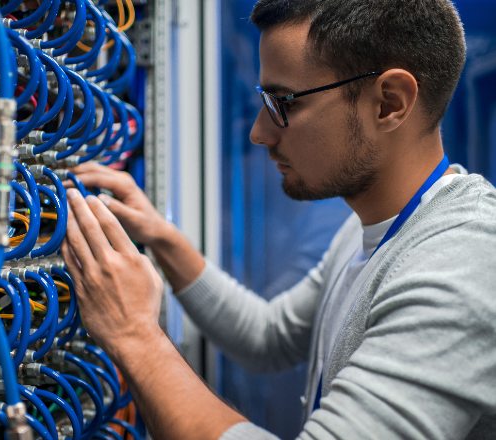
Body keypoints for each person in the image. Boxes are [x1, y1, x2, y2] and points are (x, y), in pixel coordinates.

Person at [62, 0, 496, 439]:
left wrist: (136, 335)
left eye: (282, 102)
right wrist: (160, 236)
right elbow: (267, 337)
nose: (259, 132)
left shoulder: (463, 263)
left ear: (389, 103)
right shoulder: (375, 226)